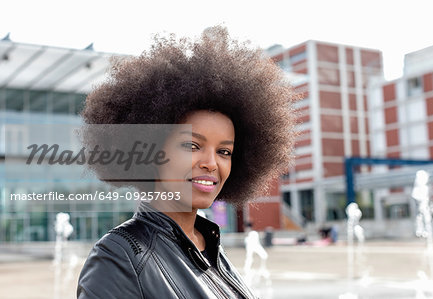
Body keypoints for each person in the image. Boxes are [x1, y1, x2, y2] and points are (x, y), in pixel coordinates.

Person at [77, 26, 296, 299]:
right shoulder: (120, 256)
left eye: (224, 152)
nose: (211, 163)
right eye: (192, 145)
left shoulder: (209, 246)